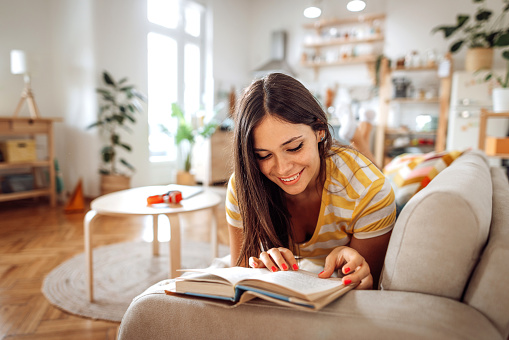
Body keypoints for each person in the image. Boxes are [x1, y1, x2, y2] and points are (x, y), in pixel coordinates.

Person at [226, 73, 396, 289]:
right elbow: (239, 279)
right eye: (263, 155)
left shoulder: (370, 190)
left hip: (375, 196)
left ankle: (361, 136)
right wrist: (262, 266)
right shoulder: (245, 185)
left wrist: (351, 269)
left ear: (320, 131)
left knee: (374, 168)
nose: (283, 168)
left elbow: (367, 287)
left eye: (295, 147)